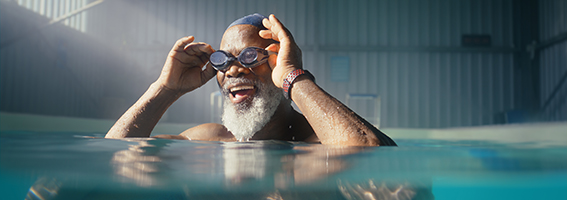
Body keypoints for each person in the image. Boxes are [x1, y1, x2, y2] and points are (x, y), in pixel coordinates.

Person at [105, 13, 396, 146]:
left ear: (276, 60)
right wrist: (165, 90)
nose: (232, 70)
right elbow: (114, 155)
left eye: (249, 57)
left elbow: (370, 151)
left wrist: (292, 76)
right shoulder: (209, 139)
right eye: (223, 60)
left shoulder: (318, 139)